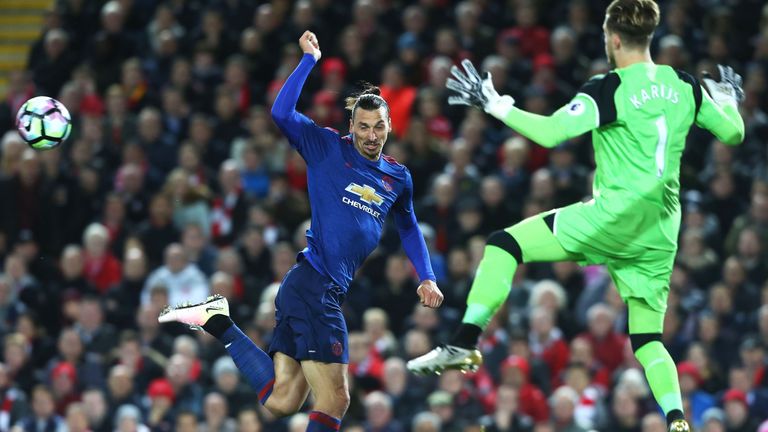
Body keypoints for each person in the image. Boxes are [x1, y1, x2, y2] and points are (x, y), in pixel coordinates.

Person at [406, 2, 744, 432]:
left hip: (612, 219)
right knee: (647, 340)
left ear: (614, 39)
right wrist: (729, 100)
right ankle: (677, 420)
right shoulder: (686, 85)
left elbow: (551, 134)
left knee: (504, 244)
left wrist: (494, 104)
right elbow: (734, 133)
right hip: (661, 231)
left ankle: (464, 343)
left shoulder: (608, 88)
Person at [159, 30, 443, 432]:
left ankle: (218, 321)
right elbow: (281, 113)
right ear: (351, 125)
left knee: (282, 400)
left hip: (313, 287)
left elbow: (409, 226)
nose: (371, 135)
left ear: (390, 125)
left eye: (378, 126)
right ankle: (216, 318)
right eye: (363, 127)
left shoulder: (398, 177)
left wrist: (427, 277)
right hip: (315, 285)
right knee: (336, 398)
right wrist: (308, 61)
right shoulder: (327, 147)